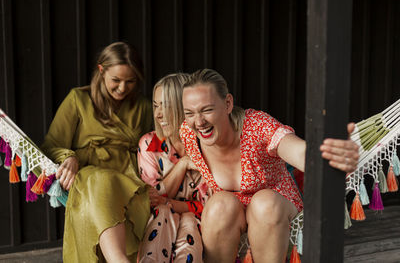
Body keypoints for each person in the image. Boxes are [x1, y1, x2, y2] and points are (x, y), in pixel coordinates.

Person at [179, 69, 359, 263]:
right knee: (218, 204)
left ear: (228, 103)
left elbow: (296, 150)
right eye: (189, 113)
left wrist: (326, 157)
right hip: (230, 215)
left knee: (264, 203)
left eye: (207, 110)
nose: (198, 122)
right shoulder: (189, 134)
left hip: (275, 206)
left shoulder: (256, 126)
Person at [41, 42, 153, 262]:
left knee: (124, 193)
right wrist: (69, 157)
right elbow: (51, 145)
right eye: (116, 80)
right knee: (102, 181)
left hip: (129, 179)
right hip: (90, 176)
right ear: (101, 70)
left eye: (130, 81)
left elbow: (156, 148)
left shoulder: (144, 107)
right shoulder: (78, 99)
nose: (123, 88)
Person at [137, 73, 211, 263]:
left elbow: (212, 204)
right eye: (155, 106)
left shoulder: (207, 142)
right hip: (162, 218)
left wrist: (174, 205)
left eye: (166, 106)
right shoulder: (149, 143)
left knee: (188, 222)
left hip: (204, 223)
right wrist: (184, 164)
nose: (158, 114)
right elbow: (152, 199)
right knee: (161, 213)